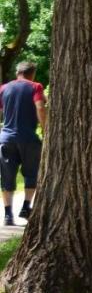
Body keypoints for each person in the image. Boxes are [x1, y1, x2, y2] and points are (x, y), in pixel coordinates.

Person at [0, 62, 46, 225]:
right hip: (28, 139)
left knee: (7, 177)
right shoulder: (36, 86)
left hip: (6, 139)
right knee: (32, 174)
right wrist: (46, 129)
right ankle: (26, 207)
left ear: (17, 72)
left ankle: (7, 215)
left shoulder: (4, 88)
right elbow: (40, 107)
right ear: (32, 73)